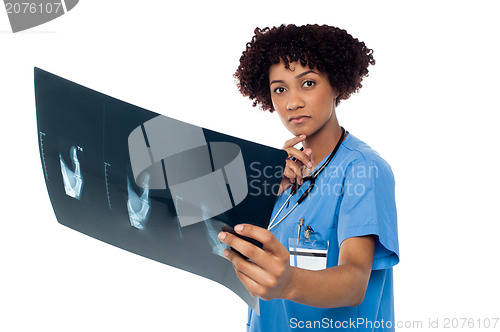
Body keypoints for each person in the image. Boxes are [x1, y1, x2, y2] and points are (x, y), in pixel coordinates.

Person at [218, 24, 399, 331]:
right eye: (280, 89)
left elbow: (354, 282)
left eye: (308, 83)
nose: (292, 102)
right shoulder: (280, 174)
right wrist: (264, 194)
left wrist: (287, 281)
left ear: (338, 85)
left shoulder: (363, 169)